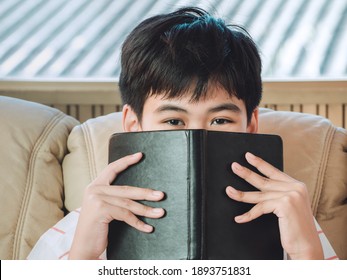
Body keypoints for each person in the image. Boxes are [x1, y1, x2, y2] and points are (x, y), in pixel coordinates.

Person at [28, 7, 337, 260]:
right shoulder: (84, 224)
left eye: (220, 121)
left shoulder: (290, 215)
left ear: (251, 126)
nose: (198, 138)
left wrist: (307, 256)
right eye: (173, 121)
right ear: (133, 125)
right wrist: (83, 257)